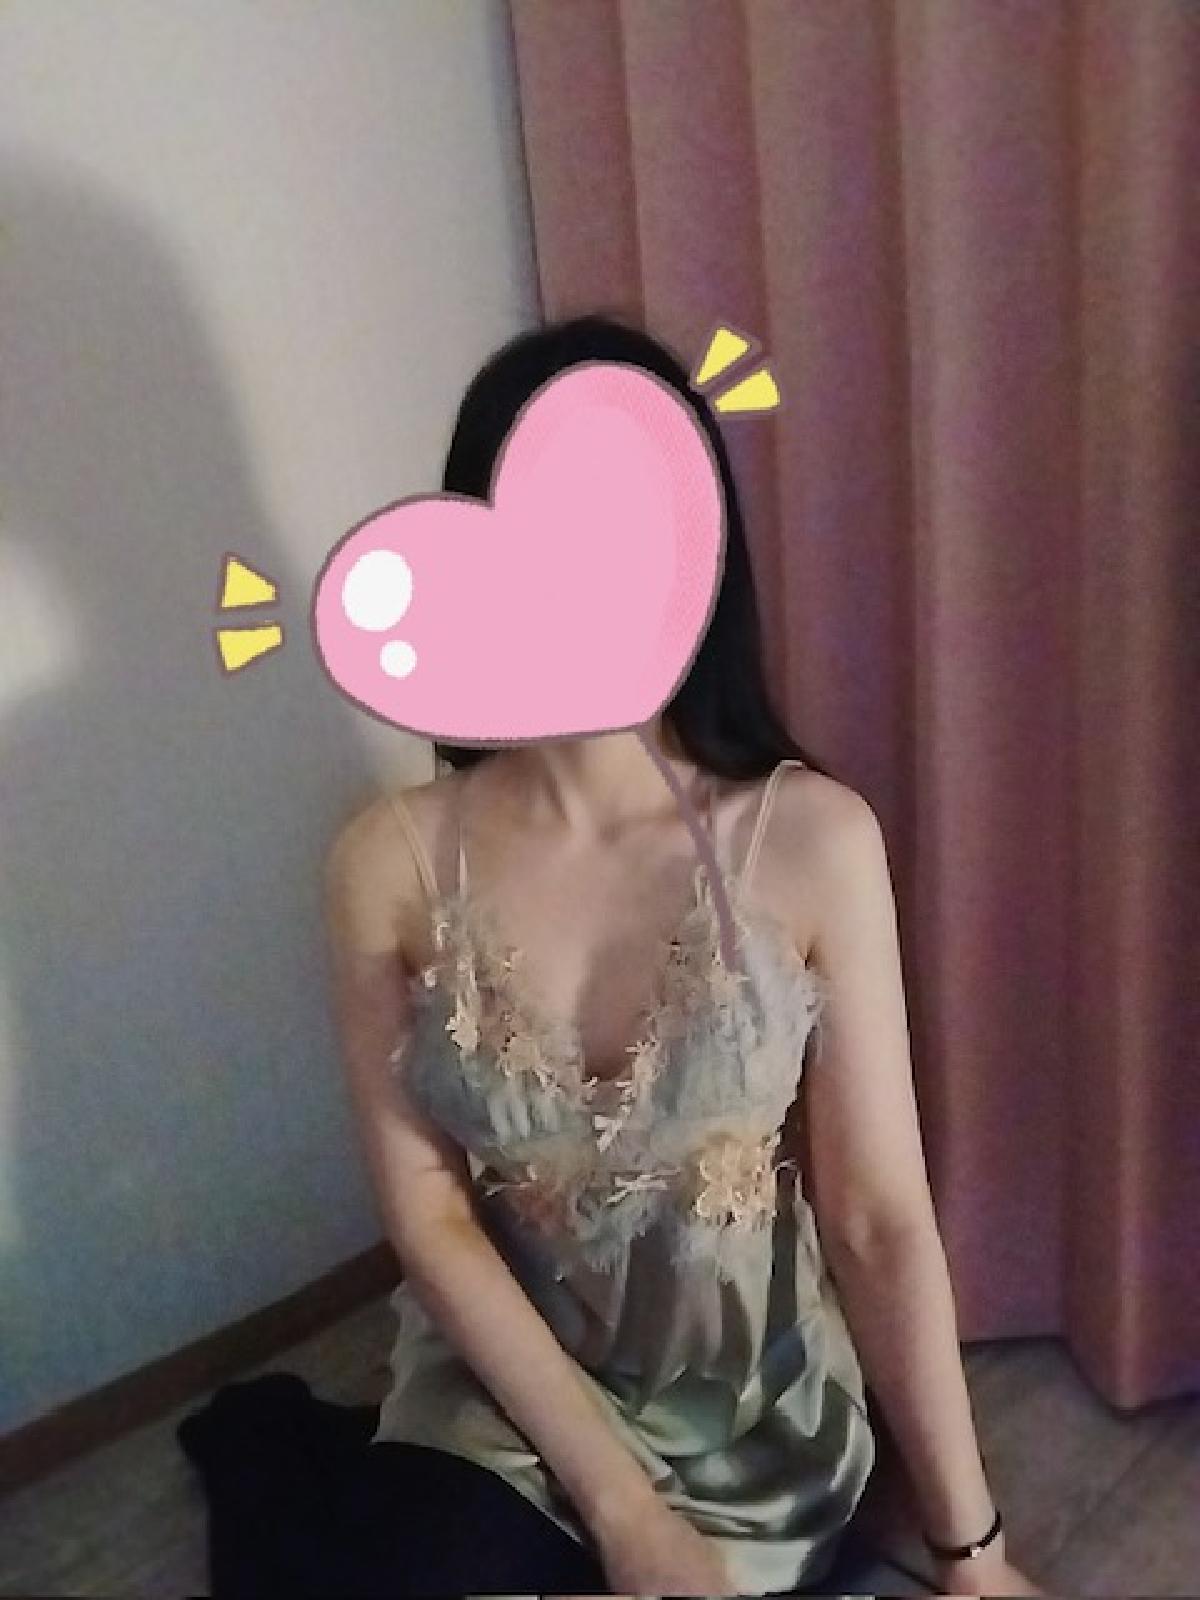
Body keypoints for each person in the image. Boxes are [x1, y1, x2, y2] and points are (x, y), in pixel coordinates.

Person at [324, 315, 1043, 1597]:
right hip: (507, 1400)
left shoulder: (812, 839)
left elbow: (876, 1216)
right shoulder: (388, 863)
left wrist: (972, 1553)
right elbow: (429, 1216)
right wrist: (620, 1510)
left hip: (750, 1415)